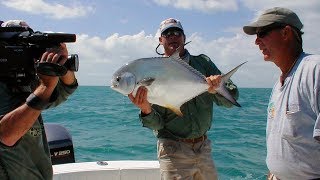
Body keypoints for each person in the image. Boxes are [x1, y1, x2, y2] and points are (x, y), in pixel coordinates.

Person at [129, 18, 239, 180]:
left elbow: (231, 99)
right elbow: (158, 124)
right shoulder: (152, 72)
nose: (173, 36)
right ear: (160, 40)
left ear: (184, 37)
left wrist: (215, 89)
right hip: (173, 150)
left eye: (177, 32)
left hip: (203, 148)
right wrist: (146, 109)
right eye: (167, 34)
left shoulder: (203, 63)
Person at [243, 7, 320, 180]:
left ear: (286, 33)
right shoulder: (278, 85)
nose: (257, 42)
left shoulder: (314, 70)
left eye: (262, 33)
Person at [0, 20, 78, 180]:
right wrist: (45, 87)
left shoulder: (20, 80)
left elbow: (64, 90)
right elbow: (5, 136)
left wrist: (62, 66)